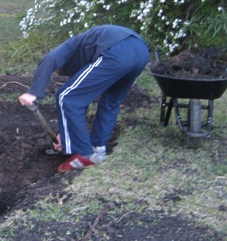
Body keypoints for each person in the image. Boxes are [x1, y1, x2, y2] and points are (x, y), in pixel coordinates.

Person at [19, 25, 149, 172]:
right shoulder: (89, 50)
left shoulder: (72, 46)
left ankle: (83, 154)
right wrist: (65, 131)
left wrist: (32, 92)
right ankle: (98, 150)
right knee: (111, 102)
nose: (69, 79)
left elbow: (50, 59)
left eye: (68, 76)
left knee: (66, 97)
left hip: (117, 50)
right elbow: (81, 101)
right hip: (141, 52)